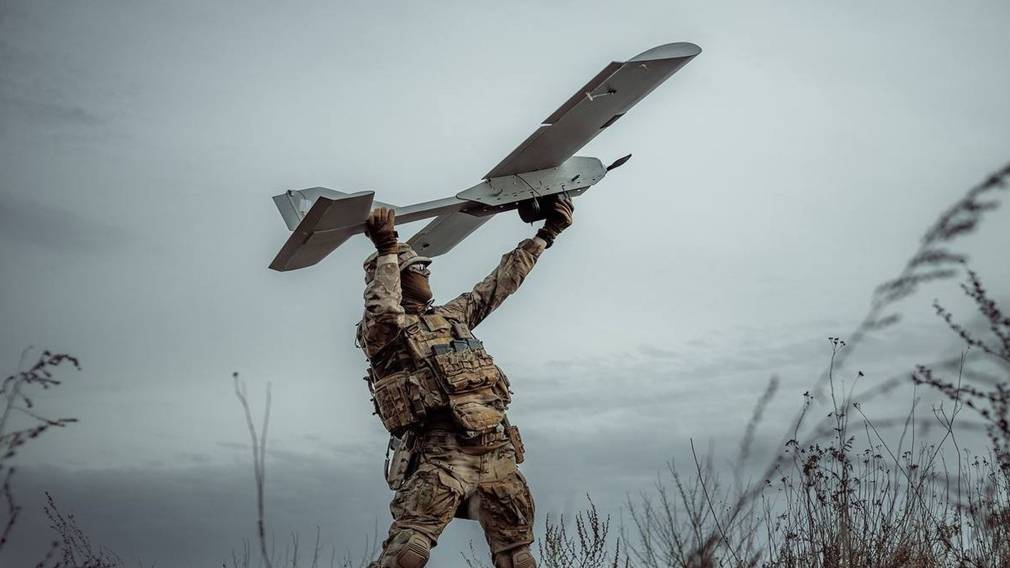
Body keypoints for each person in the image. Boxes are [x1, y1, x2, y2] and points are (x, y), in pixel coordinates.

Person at [356, 196, 574, 568]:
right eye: (416, 268)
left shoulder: (451, 317)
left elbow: (499, 284)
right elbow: (384, 310)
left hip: (496, 452)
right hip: (442, 454)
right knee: (407, 553)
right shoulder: (384, 334)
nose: (425, 272)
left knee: (518, 557)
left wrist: (547, 233)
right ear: (395, 278)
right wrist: (388, 250)